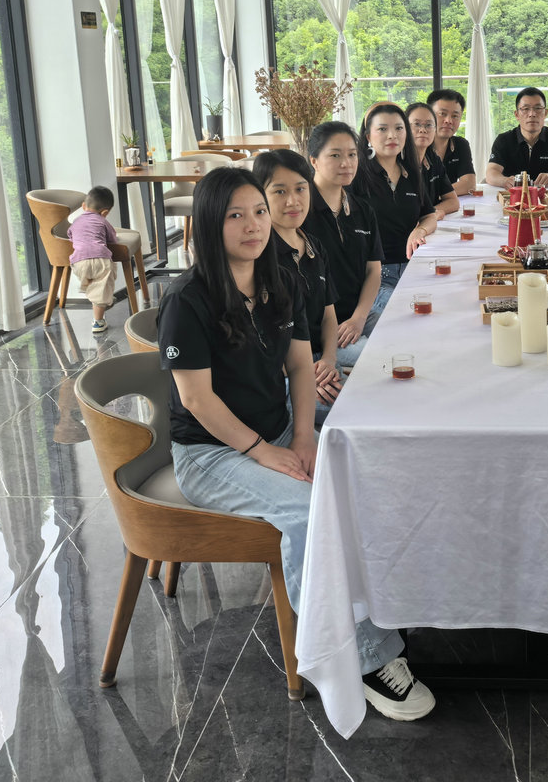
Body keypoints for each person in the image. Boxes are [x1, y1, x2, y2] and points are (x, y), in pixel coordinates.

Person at [157, 166, 435, 722]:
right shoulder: (187, 299)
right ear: (209, 224)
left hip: (279, 425)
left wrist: (304, 435)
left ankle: (390, 599)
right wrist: (265, 451)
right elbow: (197, 401)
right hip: (212, 453)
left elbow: (301, 366)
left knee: (369, 455)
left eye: (258, 212)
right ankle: (358, 660)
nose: (254, 225)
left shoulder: (278, 280)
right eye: (236, 215)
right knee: (312, 511)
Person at [254, 149, 342, 420]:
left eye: (301, 189)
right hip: (281, 375)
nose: (293, 201)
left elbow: (329, 315)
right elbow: (261, 343)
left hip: (319, 361)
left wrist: (329, 359)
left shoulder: (313, 245)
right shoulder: (257, 255)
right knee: (350, 408)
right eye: (280, 191)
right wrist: (304, 375)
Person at [304, 121, 383, 370]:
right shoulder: (300, 212)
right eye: (335, 155)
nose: (346, 163)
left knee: (412, 338)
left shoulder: (362, 209)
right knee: (382, 359)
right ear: (314, 160)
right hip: (321, 332)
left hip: (358, 315)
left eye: (352, 155)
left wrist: (359, 318)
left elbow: (374, 271)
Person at [351, 101, 437, 313]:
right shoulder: (356, 176)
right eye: (382, 129)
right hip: (374, 277)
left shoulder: (411, 173)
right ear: (368, 137)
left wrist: (420, 230)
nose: (392, 135)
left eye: (399, 128)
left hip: (413, 268)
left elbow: (429, 215)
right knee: (406, 312)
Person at [485, 87, 548, 188]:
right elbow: (491, 173)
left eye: (538, 108)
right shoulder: (504, 140)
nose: (532, 114)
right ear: (517, 115)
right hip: (514, 194)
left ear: (545, 113)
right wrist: (504, 181)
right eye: (525, 109)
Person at [67, 185, 118, 334]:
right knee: (101, 287)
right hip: (100, 258)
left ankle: (100, 298)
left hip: (78, 261)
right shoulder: (102, 221)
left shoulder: (76, 222)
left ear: (84, 206)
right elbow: (113, 239)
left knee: (94, 285)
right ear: (105, 212)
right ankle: (98, 321)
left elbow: (70, 236)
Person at [407, 102, 459, 219]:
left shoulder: (433, 160)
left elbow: (453, 201)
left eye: (429, 125)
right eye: (417, 124)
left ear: (435, 130)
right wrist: (430, 215)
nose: (423, 130)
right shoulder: (396, 162)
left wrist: (433, 213)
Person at [427, 88, 476, 194]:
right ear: (429, 115)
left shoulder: (460, 145)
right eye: (442, 114)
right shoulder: (416, 146)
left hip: (447, 203)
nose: (448, 121)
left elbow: (469, 184)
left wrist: (434, 196)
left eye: (455, 116)